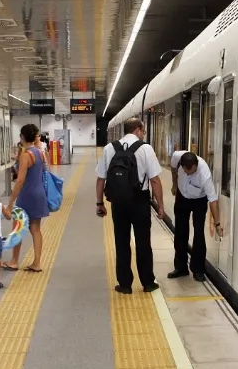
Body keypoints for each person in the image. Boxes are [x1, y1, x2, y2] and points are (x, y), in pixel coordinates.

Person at [95, 117, 164, 294]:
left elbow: (100, 179)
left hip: (118, 202)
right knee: (143, 242)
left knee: (121, 242)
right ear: (138, 129)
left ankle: (125, 284)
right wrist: (160, 206)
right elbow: (155, 180)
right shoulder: (145, 148)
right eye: (143, 131)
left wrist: (100, 203)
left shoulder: (110, 148)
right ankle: (148, 282)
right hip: (140, 201)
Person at [168, 151, 223, 282]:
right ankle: (181, 267)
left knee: (198, 234)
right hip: (182, 197)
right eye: (186, 172)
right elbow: (173, 168)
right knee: (180, 232)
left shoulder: (204, 174)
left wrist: (217, 224)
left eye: (192, 172)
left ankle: (198, 269)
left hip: (199, 200)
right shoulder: (177, 157)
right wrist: (175, 184)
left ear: (196, 166)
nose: (189, 174)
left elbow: (213, 200)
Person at [3, 124, 48, 272]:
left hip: (27, 195)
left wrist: (10, 202)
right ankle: (37, 263)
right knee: (35, 229)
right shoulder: (40, 153)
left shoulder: (26, 155)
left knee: (18, 227)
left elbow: (20, 181)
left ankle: (14, 261)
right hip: (39, 193)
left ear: (22, 137)